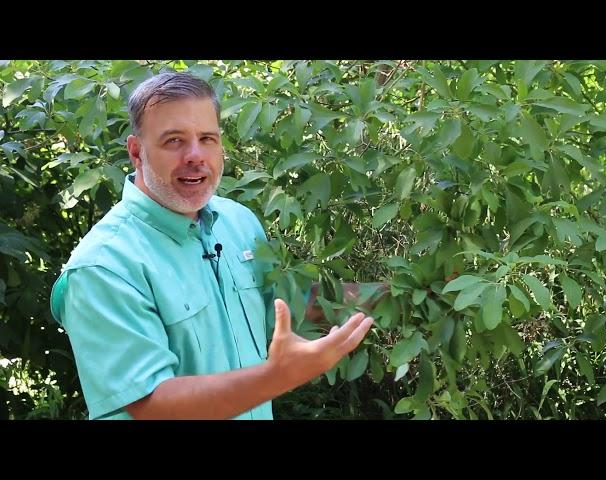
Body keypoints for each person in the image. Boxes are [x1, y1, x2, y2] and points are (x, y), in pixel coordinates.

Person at [49, 72, 374, 420]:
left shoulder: (239, 222)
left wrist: (402, 294)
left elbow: (280, 309)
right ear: (136, 152)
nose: (195, 155)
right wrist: (277, 377)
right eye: (174, 141)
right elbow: (152, 404)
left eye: (207, 138)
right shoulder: (104, 266)